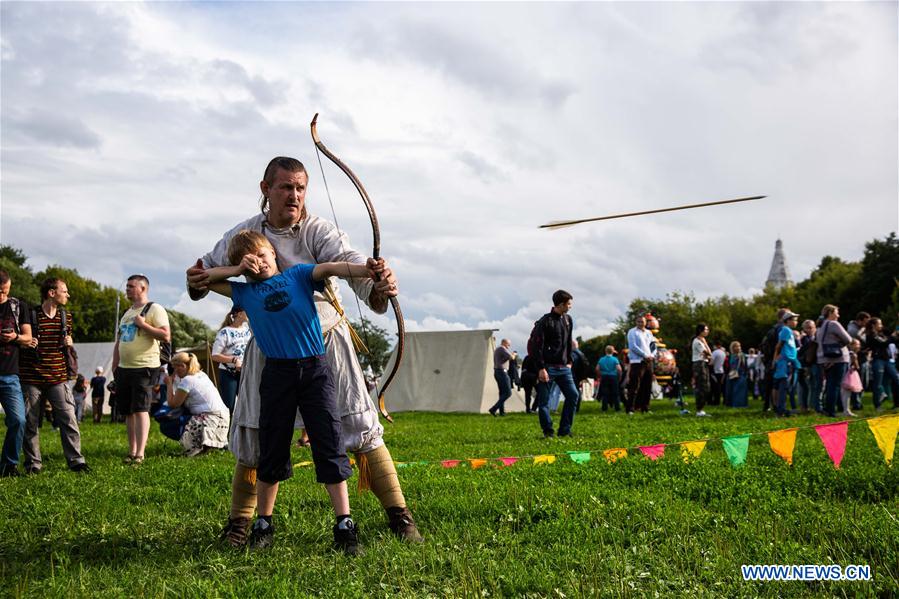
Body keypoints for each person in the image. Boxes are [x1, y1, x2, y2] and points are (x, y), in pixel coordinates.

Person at [186, 156, 421, 546]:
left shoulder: (319, 230)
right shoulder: (242, 235)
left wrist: (377, 280)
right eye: (285, 187)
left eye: (300, 188)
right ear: (266, 189)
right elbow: (202, 275)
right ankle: (243, 523)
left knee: (358, 425)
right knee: (257, 432)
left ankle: (399, 515)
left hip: (324, 341)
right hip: (270, 347)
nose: (294, 195)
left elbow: (348, 263)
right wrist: (197, 278)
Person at [200, 229, 386, 554]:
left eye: (262, 255)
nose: (259, 262)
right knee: (271, 446)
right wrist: (238, 270)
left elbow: (331, 267)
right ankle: (263, 523)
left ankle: (344, 524)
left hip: (315, 370)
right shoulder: (244, 293)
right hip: (277, 374)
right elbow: (205, 280)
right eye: (250, 260)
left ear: (274, 253)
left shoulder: (298, 275)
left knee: (329, 442)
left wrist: (366, 269)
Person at [19, 278, 89, 474]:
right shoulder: (31, 315)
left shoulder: (66, 317)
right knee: (30, 422)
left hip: (58, 377)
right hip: (31, 377)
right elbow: (21, 341)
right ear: (51, 293)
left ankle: (76, 461)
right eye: (64, 291)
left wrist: (69, 342)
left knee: (69, 418)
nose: (68, 295)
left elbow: (65, 346)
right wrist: (26, 343)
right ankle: (33, 464)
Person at [112, 274, 171, 465]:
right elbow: (120, 341)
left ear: (143, 288)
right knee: (128, 411)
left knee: (140, 409)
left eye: (131, 286)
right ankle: (132, 451)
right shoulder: (127, 312)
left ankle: (140, 453)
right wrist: (115, 364)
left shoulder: (154, 309)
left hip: (144, 366)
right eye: (127, 286)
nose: (127, 289)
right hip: (124, 368)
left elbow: (165, 335)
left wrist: (143, 325)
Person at [530, 290, 578, 438]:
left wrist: (569, 361)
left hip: (564, 368)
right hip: (548, 368)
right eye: (569, 304)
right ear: (561, 304)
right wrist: (541, 368)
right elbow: (536, 346)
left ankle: (565, 430)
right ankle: (548, 431)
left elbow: (568, 342)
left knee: (573, 396)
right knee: (543, 402)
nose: (570, 306)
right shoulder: (545, 321)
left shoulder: (568, 319)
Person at [165, 352, 231, 457]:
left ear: (183, 366)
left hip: (211, 418)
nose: (175, 371)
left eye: (176, 367)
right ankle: (210, 445)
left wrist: (169, 384)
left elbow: (173, 404)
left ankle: (194, 448)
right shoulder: (201, 374)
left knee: (169, 422)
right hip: (223, 417)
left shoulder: (187, 380)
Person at [0, 270, 33, 477]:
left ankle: (9, 465)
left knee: (19, 420)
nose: (3, 295)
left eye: (6, 291)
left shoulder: (18, 306)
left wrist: (14, 337)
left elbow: (28, 337)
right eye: (0, 291)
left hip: (10, 375)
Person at [211, 307, 251, 413]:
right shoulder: (225, 332)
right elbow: (214, 355)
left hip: (245, 372)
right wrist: (234, 360)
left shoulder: (248, 330)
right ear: (239, 314)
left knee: (247, 406)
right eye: (246, 311)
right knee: (229, 406)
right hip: (228, 373)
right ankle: (227, 424)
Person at [816, 304, 851, 417]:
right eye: (836, 313)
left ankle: (828, 409)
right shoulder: (833, 324)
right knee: (835, 385)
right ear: (830, 313)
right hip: (837, 358)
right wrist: (839, 345)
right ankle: (831, 411)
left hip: (824, 359)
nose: (838, 315)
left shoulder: (821, 325)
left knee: (829, 384)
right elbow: (848, 339)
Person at [864, 317, 899, 411]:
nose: (881, 325)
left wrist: (895, 332)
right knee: (878, 384)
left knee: (896, 379)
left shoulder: (881, 333)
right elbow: (884, 343)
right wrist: (892, 336)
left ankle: (896, 404)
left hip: (887, 360)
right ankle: (877, 406)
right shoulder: (871, 335)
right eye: (879, 324)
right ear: (873, 325)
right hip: (878, 360)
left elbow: (891, 339)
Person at [772, 311, 801, 417]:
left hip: (788, 362)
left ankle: (781, 409)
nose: (796, 322)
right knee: (784, 387)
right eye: (794, 320)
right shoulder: (786, 330)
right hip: (786, 363)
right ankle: (781, 410)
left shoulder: (787, 330)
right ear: (787, 321)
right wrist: (775, 358)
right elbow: (779, 345)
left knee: (786, 387)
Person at [626, 315, 655, 414]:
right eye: (638, 321)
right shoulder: (632, 332)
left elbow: (653, 346)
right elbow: (633, 346)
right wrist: (644, 355)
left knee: (647, 385)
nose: (640, 323)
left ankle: (645, 407)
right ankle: (630, 408)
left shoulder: (649, 333)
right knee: (634, 386)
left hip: (648, 361)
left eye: (642, 322)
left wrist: (652, 355)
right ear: (636, 322)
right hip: (637, 361)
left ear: (645, 323)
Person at [690, 323, 712, 417]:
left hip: (703, 363)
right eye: (706, 329)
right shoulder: (697, 341)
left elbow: (709, 355)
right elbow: (708, 353)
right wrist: (705, 343)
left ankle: (701, 409)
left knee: (706, 386)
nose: (707, 331)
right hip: (699, 364)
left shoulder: (701, 340)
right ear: (700, 331)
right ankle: (699, 410)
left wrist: (705, 342)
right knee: (702, 387)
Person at [489, 339, 514, 416]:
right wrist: (514, 354)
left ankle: (501, 412)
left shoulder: (498, 349)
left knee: (502, 393)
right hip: (502, 372)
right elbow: (511, 357)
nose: (509, 346)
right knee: (508, 393)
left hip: (497, 372)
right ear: (504, 343)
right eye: (508, 344)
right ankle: (493, 409)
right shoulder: (502, 348)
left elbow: (505, 358)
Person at [596, 345, 622, 412]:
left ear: (605, 351)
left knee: (605, 393)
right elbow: (619, 369)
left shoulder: (601, 359)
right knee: (615, 393)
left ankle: (604, 408)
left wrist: (599, 375)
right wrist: (619, 377)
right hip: (613, 377)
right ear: (613, 351)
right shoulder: (615, 359)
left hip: (604, 377)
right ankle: (617, 408)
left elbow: (597, 369)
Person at [725, 341, 749, 408]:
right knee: (730, 390)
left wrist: (745, 374)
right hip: (731, 374)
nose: (738, 347)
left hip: (740, 374)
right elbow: (728, 366)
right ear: (732, 348)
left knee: (739, 390)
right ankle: (730, 404)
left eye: (739, 346)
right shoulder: (731, 356)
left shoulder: (742, 355)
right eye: (736, 346)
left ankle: (739, 405)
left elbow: (745, 366)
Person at [709, 342, 726, 406]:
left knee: (715, 388)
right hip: (721, 371)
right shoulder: (723, 353)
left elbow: (711, 363)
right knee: (721, 387)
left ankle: (716, 402)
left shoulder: (714, 352)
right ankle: (723, 401)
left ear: (717, 346)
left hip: (715, 372)